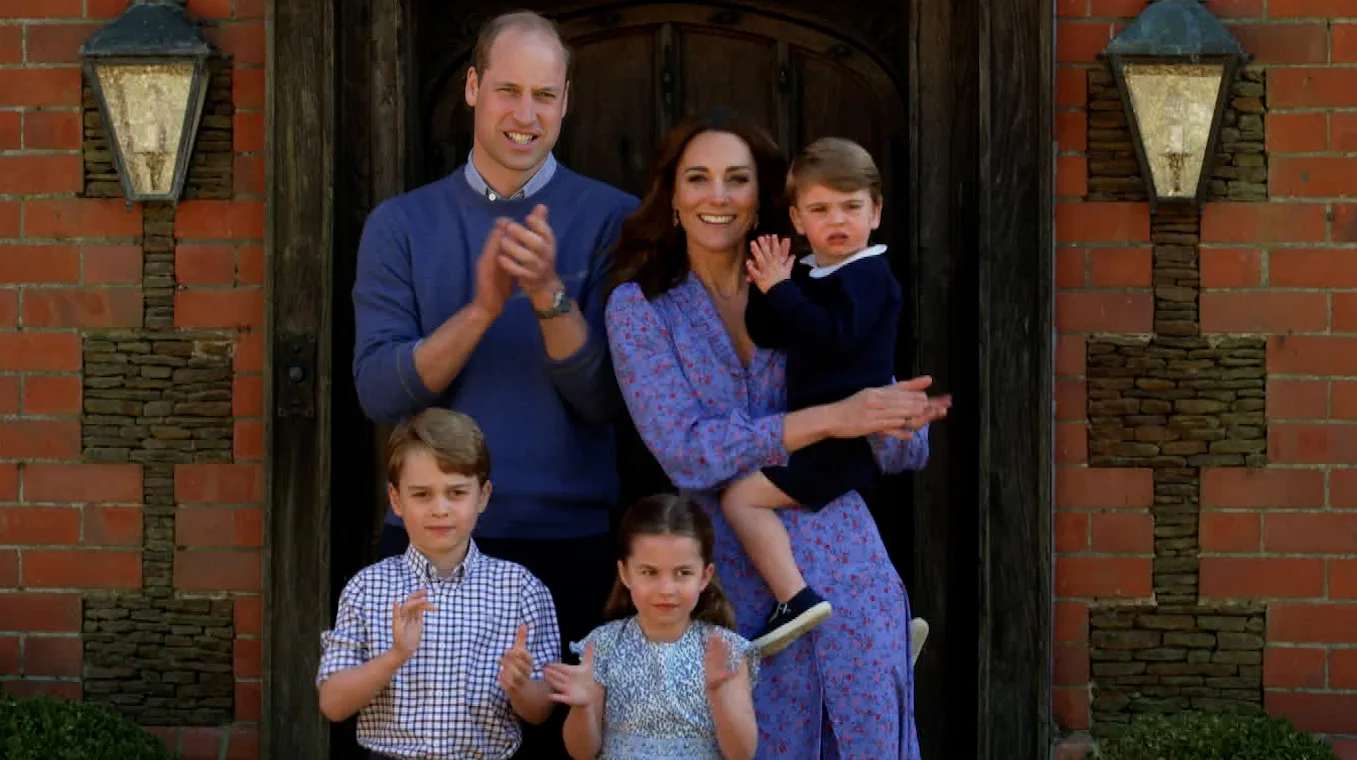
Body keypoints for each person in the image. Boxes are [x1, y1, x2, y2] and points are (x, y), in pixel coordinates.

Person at [603, 108, 950, 759]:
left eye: (736, 179)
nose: (717, 196)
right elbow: (685, 451)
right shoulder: (641, 308)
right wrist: (826, 420)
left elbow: (894, 440)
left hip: (847, 561)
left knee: (866, 740)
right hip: (733, 578)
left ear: (761, 198)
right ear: (672, 197)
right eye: (697, 178)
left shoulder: (815, 281)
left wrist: (900, 421)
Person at [350, 10, 637, 758]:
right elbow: (380, 394)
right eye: (507, 90)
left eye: (544, 95)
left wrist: (546, 295)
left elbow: (607, 399)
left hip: (569, 546)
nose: (525, 114)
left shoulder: (615, 221)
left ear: (567, 100)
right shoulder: (400, 224)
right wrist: (480, 308)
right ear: (472, 88)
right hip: (429, 550)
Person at [720, 137, 906, 655]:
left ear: (876, 212)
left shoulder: (870, 275)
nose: (838, 221)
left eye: (851, 207)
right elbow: (770, 331)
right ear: (799, 220)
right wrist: (767, 285)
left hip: (843, 442)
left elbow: (832, 337)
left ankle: (794, 598)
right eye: (821, 209)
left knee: (741, 498)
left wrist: (783, 290)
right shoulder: (812, 272)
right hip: (818, 434)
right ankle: (876, 628)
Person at [316, 409, 560, 760]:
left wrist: (520, 686)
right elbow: (332, 704)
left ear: (484, 495)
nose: (440, 509)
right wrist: (395, 657)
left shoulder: (521, 589)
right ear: (396, 500)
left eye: (457, 492)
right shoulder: (367, 588)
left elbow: (540, 712)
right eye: (422, 495)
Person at [545, 493, 760, 760]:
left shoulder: (725, 650)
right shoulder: (602, 646)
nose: (666, 589)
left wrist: (719, 694)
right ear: (625, 573)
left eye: (683, 573)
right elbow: (582, 753)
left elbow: (742, 753)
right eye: (649, 572)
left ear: (705, 576)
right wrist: (583, 707)